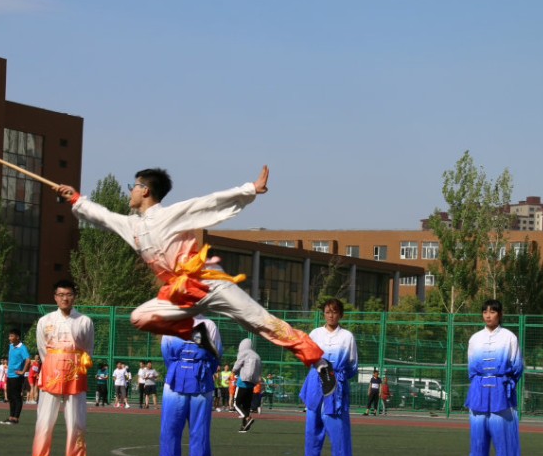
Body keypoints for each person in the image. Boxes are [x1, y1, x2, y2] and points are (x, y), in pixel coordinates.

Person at [54, 166, 336, 396]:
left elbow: (209, 202)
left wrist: (250, 189)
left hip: (208, 283)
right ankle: (195, 333)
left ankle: (320, 363)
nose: (131, 191)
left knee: (263, 322)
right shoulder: (132, 225)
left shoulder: (170, 214)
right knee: (140, 317)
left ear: (146, 190)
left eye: (134, 186)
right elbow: (102, 216)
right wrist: (76, 199)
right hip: (177, 294)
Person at [28, 280, 94, 456]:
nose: (65, 298)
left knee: (76, 419)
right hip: (51, 372)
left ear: (74, 296)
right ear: (55, 297)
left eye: (69, 294)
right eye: (61, 295)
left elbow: (88, 349)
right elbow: (42, 350)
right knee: (45, 419)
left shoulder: (85, 321)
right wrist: (53, 365)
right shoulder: (45, 321)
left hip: (76, 374)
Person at [464, 299, 524, 456]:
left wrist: (506, 383)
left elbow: (517, 365)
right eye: (485, 312)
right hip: (479, 388)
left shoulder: (509, 337)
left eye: (492, 312)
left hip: (500, 389)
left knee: (504, 435)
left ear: (500, 314)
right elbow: (471, 367)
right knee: (478, 436)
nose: (488, 315)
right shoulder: (475, 338)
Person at [298, 298, 359, 456]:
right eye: (327, 312)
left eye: (334, 312)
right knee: (312, 427)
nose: (330, 315)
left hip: (336, 384)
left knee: (338, 428)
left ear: (340, 314)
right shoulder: (315, 334)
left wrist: (337, 378)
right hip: (316, 381)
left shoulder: (347, 336)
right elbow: (306, 356)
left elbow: (353, 364)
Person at [155, 317, 222, 456]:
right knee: (170, 425)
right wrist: (180, 370)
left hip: (202, 383)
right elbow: (167, 353)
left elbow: (216, 354)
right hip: (175, 382)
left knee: (200, 426)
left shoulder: (209, 325)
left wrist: (202, 371)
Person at [232, 339, 262, 433]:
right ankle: (244, 426)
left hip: (243, 382)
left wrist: (234, 371)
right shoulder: (257, 356)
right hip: (252, 384)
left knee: (236, 404)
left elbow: (237, 366)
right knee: (246, 406)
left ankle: (247, 418)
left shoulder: (244, 353)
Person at [2, 329, 30, 425]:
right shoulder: (11, 346)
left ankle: (15, 418)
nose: (9, 338)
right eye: (9, 336)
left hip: (17, 376)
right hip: (10, 375)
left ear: (17, 337)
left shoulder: (22, 348)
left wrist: (23, 372)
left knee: (16, 396)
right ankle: (11, 417)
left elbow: (28, 360)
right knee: (10, 396)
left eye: (11, 336)